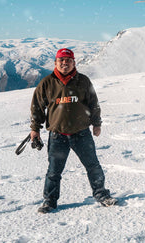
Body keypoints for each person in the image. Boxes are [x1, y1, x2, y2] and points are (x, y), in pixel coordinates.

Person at [29, 48, 117, 213]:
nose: (64, 63)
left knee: (93, 166)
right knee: (53, 172)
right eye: (61, 60)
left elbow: (93, 104)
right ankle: (49, 202)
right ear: (55, 62)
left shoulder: (83, 81)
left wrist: (96, 123)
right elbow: (37, 107)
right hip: (57, 135)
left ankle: (102, 195)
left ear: (73, 62)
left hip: (81, 133)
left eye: (68, 60)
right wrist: (35, 129)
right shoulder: (46, 83)